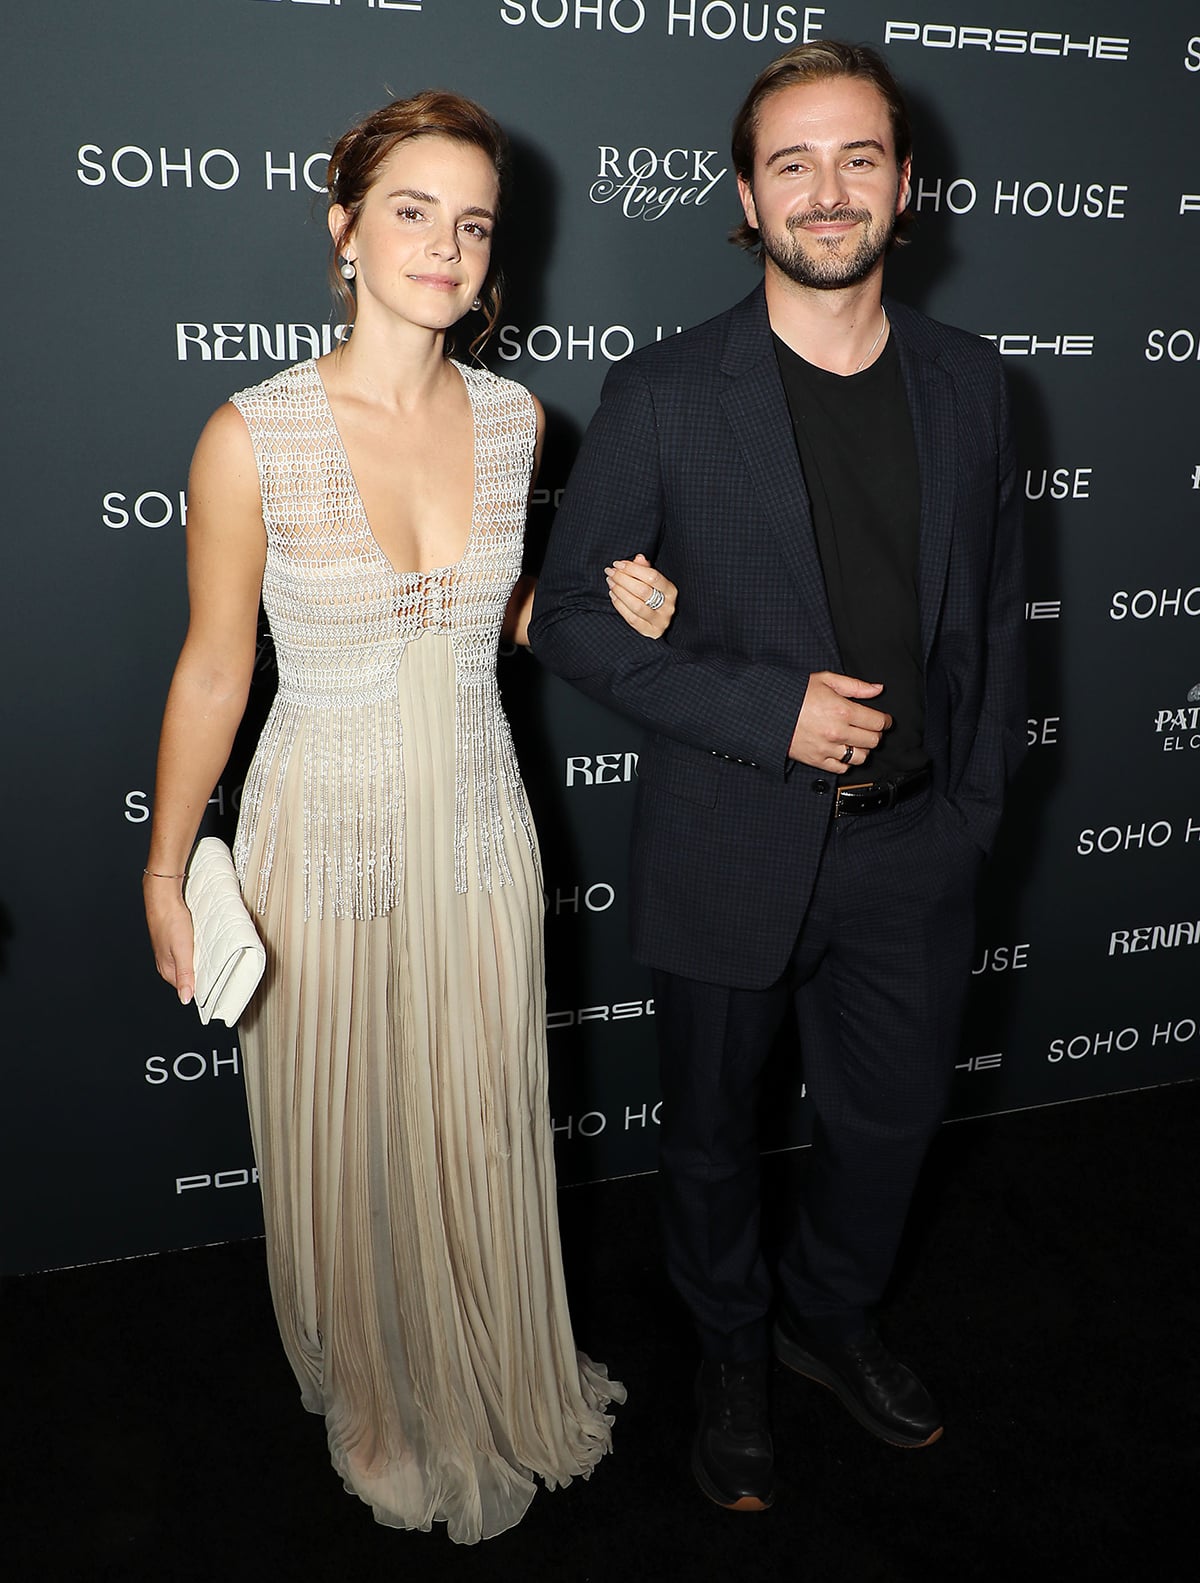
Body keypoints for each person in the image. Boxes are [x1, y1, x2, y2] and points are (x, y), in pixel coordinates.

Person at [143, 90, 676, 1544]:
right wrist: (164, 866)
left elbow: (485, 609)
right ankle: (377, 1392)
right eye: (412, 211)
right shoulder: (251, 435)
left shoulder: (513, 421)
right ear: (345, 229)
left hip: (480, 823)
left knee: (470, 1114)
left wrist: (592, 604)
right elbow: (214, 665)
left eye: (474, 222)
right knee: (355, 1125)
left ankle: (487, 1371)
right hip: (323, 829)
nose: (445, 247)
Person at [528, 41, 1025, 1512]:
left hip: (913, 851)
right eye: (792, 163)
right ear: (746, 196)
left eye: (857, 157)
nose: (827, 190)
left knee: (884, 1134)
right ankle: (732, 1349)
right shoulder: (669, 392)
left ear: (906, 185)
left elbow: (996, 620)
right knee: (710, 1134)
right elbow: (563, 615)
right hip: (727, 835)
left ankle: (828, 1318)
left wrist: (974, 811)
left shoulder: (977, 387)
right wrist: (763, 711)